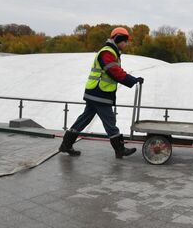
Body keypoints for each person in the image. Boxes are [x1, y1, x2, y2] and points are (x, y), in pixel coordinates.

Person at [59, 27, 144, 158]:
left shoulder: (111, 52)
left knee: (84, 119)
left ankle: (66, 144)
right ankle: (119, 149)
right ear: (118, 39)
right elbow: (114, 71)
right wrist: (132, 80)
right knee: (110, 120)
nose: (126, 44)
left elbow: (113, 71)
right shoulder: (107, 52)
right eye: (125, 41)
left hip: (95, 92)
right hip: (99, 93)